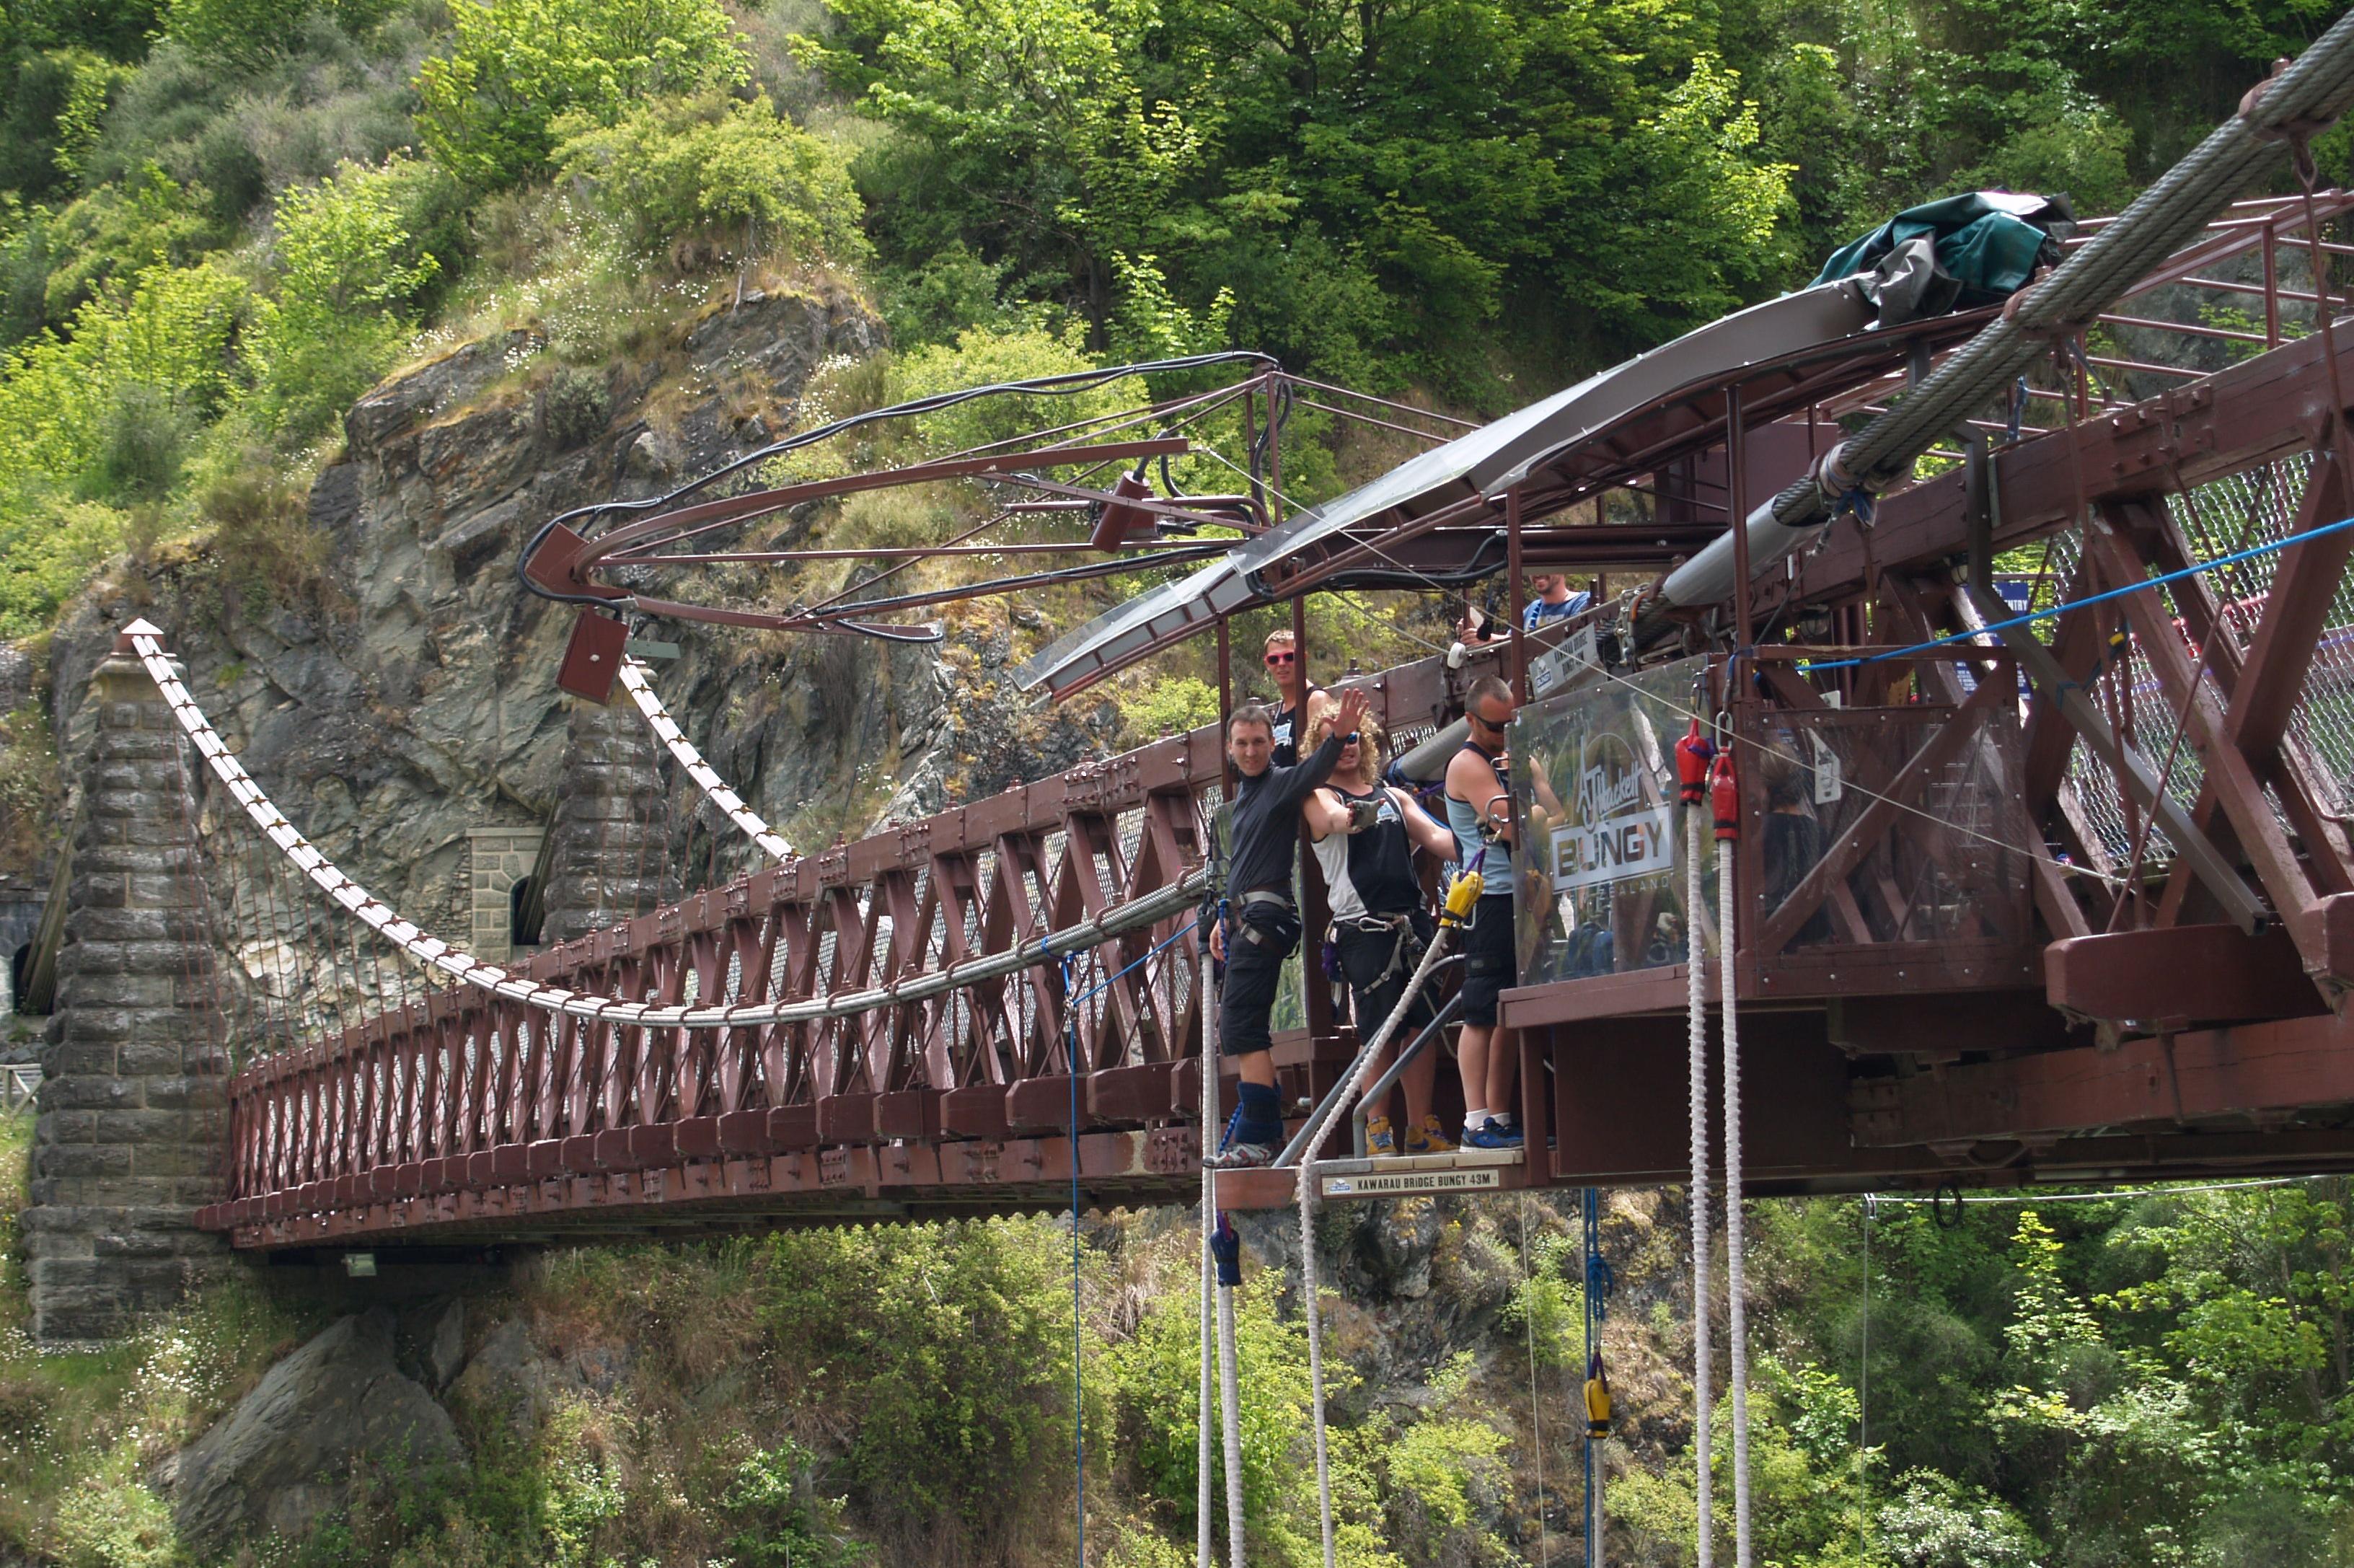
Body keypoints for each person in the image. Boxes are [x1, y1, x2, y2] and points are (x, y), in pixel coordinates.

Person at [1209, 685, 1374, 1168]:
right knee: (1241, 1027)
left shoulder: (1280, 784)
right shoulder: (1246, 796)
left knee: (1241, 1027)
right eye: (1242, 744)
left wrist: (1338, 737)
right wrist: (1223, 916)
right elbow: (1243, 862)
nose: (1251, 751)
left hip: (1264, 918)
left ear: (1271, 744)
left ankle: (1260, 1137)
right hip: (1247, 917)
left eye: (1259, 742)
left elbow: (1312, 772)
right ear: (1230, 749)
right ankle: (1260, 1130)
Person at [1299, 697, 1460, 1156]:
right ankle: (1378, 1125)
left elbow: (1437, 838)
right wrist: (1352, 816)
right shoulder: (1320, 797)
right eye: (1336, 742)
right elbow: (1331, 821)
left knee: (1420, 1026)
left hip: (1411, 922)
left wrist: (1483, 835)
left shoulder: (1394, 797)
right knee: (1378, 1029)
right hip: (1364, 929)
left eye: (1353, 738)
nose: (1347, 747)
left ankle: (1421, 1125)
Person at [1443, 675, 1561, 1150]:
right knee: (1481, 1010)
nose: (1503, 735)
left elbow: (1557, 814)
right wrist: (1534, 810)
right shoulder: (1467, 764)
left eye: (1511, 725)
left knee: (1509, 1010)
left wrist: (1534, 798)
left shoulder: (1517, 760)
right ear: (1471, 721)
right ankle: (1474, 1121)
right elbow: (1515, 828)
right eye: (1495, 727)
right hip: (1489, 897)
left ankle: (1500, 1114)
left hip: (1524, 894)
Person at [1262, 628, 1323, 767]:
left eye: (1289, 657)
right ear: (1267, 664)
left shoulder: (1316, 701)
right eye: (1274, 659)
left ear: (1303, 658)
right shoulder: (1279, 710)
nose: (1282, 663)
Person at [1522, 572, 1592, 631]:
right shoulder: (1532, 609)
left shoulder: (1583, 602)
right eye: (1532, 567)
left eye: (1545, 565)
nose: (1538, 574)